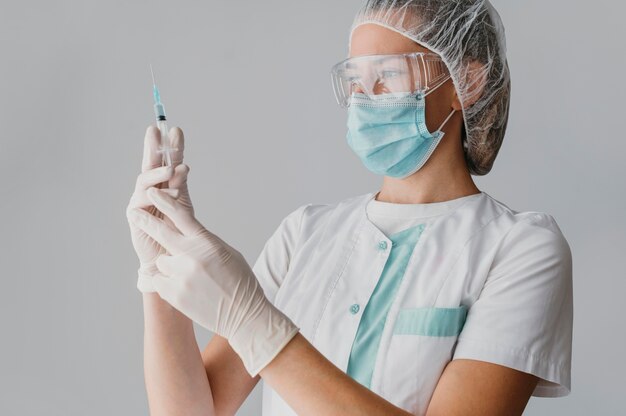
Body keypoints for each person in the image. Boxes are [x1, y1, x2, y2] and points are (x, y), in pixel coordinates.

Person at [126, 1, 573, 415]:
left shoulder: (522, 248)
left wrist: (257, 326)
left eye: (389, 74)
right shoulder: (304, 234)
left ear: (468, 82)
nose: (364, 97)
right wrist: (160, 272)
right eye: (355, 80)